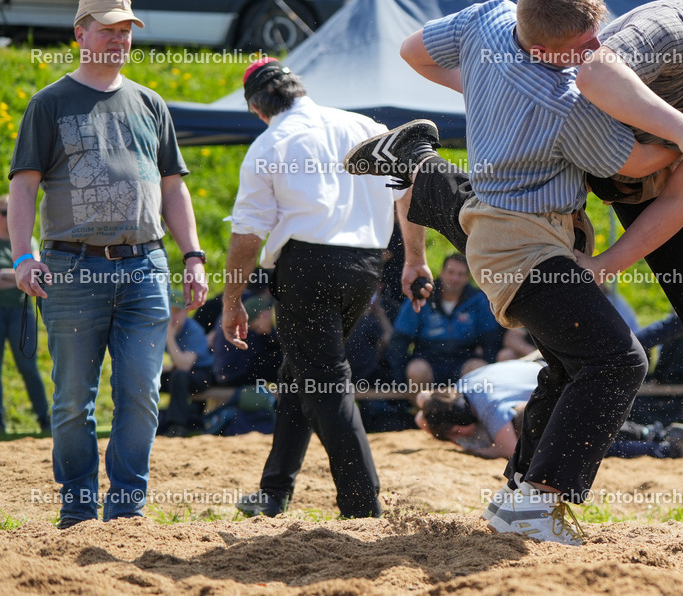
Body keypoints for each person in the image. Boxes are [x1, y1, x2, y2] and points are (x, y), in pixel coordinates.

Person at [347, 0, 683, 518]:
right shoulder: (677, 29)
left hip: (631, 167)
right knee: (509, 228)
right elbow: (598, 79)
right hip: (589, 140)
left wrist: (604, 264)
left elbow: (675, 204)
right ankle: (422, 165)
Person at [9, 0, 208, 529]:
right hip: (72, 269)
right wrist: (24, 255)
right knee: (74, 398)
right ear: (80, 34)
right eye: (108, 30)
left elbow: (173, 189)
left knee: (141, 394)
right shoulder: (48, 104)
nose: (119, 39)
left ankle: (127, 506)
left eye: (126, 31)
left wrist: (192, 255)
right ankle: (77, 505)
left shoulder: (150, 103)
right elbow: (24, 188)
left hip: (145, 267)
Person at [223, 57, 422, 520]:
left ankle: (362, 505)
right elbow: (406, 188)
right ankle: (273, 492)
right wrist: (415, 257)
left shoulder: (269, 143)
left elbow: (247, 235)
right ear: (300, 89)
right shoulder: (364, 124)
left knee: (325, 381)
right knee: (302, 374)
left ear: (258, 109)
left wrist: (233, 300)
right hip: (366, 267)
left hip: (306, 266)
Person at [416, 358, 683, 461]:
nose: (460, 434)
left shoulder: (490, 409)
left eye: (457, 430)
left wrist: (468, 446)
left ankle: (659, 445)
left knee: (574, 445)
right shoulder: (461, 388)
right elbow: (422, 408)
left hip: (566, 387)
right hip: (556, 375)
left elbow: (510, 452)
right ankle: (657, 434)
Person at [388, 253, 503, 389]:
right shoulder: (422, 296)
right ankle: (420, 409)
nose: (455, 278)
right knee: (416, 370)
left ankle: (468, 409)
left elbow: (491, 342)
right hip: (428, 359)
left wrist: (487, 361)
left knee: (480, 369)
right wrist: (400, 378)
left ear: (467, 278)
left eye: (460, 274)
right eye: (451, 272)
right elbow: (400, 339)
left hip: (464, 359)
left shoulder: (479, 300)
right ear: (441, 273)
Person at [0, 193, 50, 433]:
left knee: (29, 368)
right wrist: (17, 274)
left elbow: (34, 273)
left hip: (21, 312)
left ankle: (44, 419)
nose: (6, 217)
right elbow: (23, 275)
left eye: (9, 212)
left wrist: (7, 275)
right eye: (2, 213)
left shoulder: (25, 242)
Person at [159, 290, 216, 437]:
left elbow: (185, 365)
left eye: (176, 311)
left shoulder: (194, 330)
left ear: (185, 313)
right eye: (168, 311)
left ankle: (176, 427)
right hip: (178, 370)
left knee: (179, 376)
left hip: (203, 374)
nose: (172, 316)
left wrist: (169, 337)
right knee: (142, 377)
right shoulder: (158, 328)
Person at [210, 293, 282, 389]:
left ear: (263, 315)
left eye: (256, 328)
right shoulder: (248, 329)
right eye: (255, 329)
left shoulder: (233, 315)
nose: (258, 332)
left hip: (225, 374)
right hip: (233, 375)